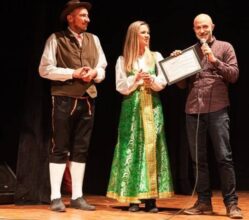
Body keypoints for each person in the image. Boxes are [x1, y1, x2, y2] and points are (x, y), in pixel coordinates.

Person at [171, 13, 242, 219]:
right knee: (198, 160)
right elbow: (182, 85)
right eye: (198, 28)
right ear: (194, 30)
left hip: (218, 108)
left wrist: (213, 59)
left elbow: (234, 75)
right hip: (193, 109)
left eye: (205, 26)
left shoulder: (225, 47)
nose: (202, 30)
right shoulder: (189, 52)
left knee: (224, 157)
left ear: (212, 26)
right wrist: (177, 66)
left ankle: (232, 203)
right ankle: (203, 202)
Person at [38, 0, 107, 212]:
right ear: (70, 17)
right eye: (83, 15)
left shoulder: (93, 39)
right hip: (64, 99)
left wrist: (94, 73)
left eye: (87, 16)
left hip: (88, 98)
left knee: (81, 148)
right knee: (60, 147)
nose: (88, 19)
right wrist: (72, 73)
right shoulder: (56, 39)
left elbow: (102, 66)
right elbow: (45, 69)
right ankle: (56, 196)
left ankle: (77, 195)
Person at [106, 21, 174, 213]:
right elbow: (120, 87)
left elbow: (163, 82)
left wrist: (151, 80)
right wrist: (135, 80)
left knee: (153, 147)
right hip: (132, 107)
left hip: (152, 106)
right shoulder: (123, 59)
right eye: (143, 33)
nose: (147, 36)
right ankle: (133, 198)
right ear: (134, 36)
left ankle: (151, 198)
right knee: (131, 147)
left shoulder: (156, 56)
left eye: (148, 32)